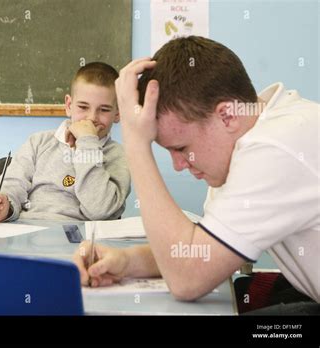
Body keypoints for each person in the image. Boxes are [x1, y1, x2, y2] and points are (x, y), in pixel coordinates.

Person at [73, 36, 319, 312]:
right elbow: (202, 251)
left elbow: (187, 279)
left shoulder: (275, 148)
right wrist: (127, 261)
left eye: (181, 148)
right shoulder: (244, 136)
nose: (179, 164)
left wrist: (136, 143)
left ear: (226, 115)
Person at [0, 62, 131, 222]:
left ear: (118, 113)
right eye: (83, 107)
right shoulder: (39, 142)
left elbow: (100, 210)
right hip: (29, 232)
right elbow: (12, 185)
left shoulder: (119, 156)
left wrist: (87, 142)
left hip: (80, 240)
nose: (92, 118)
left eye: (104, 110)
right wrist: (4, 206)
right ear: (68, 105)